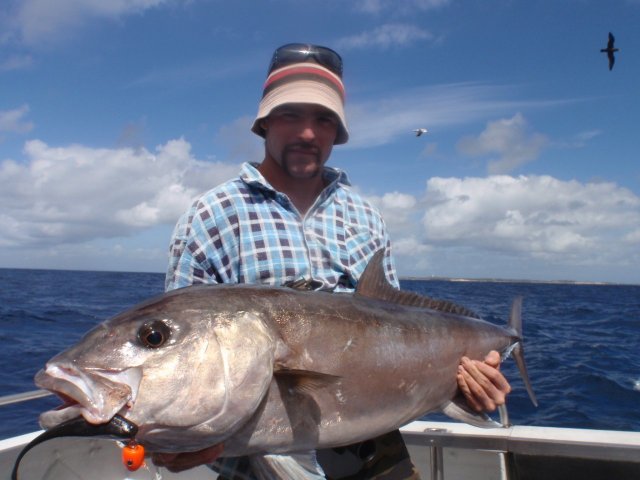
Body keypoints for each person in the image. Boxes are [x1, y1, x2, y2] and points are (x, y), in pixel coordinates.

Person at [154, 43, 511, 479]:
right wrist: (172, 433)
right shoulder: (209, 216)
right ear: (264, 123)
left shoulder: (365, 216)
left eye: (323, 119)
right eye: (291, 114)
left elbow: (400, 330)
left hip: (379, 461)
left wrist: (464, 387)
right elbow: (178, 354)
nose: (307, 133)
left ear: (337, 132)